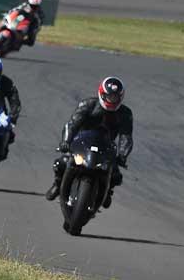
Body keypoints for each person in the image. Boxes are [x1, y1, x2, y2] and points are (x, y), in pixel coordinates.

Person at [44, 77, 133, 208]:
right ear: (102, 94)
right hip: (81, 143)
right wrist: (65, 141)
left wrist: (122, 155)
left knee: (116, 175)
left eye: (114, 97)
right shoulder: (88, 104)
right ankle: (58, 184)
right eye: (109, 96)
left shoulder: (125, 113)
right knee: (61, 163)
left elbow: (126, 136)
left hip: (106, 147)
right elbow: (72, 124)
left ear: (120, 97)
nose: (111, 100)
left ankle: (108, 191)